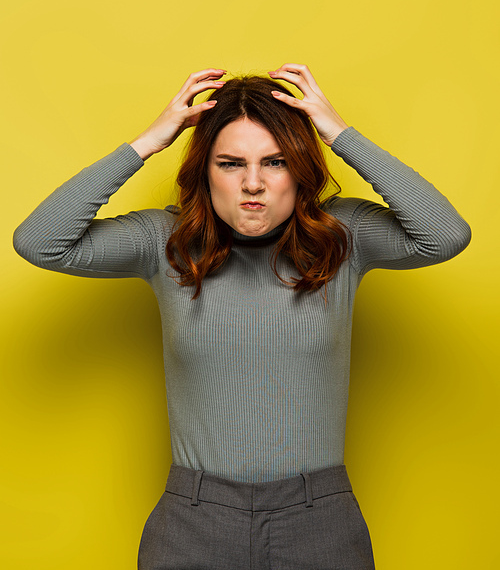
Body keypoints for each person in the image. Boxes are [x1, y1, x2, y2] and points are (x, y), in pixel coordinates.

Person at [13, 63, 472, 570]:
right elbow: (40, 242)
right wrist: (148, 142)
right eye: (231, 163)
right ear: (205, 172)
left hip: (319, 521)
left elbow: (444, 234)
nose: (253, 183)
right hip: (193, 523)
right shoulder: (165, 243)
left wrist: (339, 134)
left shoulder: (343, 237)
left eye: (275, 162)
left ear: (299, 171)